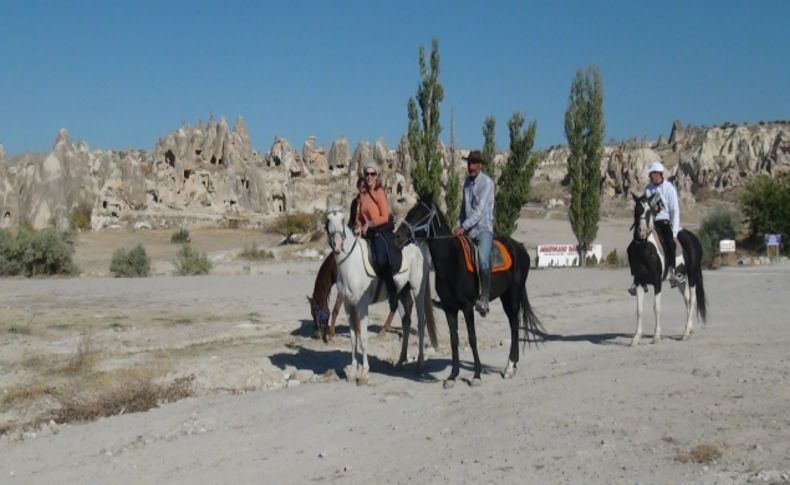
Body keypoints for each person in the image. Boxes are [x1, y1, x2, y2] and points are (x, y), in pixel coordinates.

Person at [629, 161, 685, 295]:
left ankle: (673, 273)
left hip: (665, 222)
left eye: (652, 174)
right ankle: (637, 279)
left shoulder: (669, 188)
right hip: (651, 223)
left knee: (670, 243)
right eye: (649, 174)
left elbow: (675, 211)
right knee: (632, 247)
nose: (650, 176)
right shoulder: (648, 188)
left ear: (659, 174)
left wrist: (675, 232)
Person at [454, 149, 495, 316]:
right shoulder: (466, 183)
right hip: (467, 230)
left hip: (483, 229)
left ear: (479, 165)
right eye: (469, 163)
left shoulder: (487, 183)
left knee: (484, 261)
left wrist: (464, 226)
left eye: (473, 163)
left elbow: (479, 211)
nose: (470, 166)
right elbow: (464, 208)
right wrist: (459, 225)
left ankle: (484, 297)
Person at [355, 160, 398, 313]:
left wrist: (370, 224)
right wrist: (359, 225)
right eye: (367, 174)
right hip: (366, 234)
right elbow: (360, 217)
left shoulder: (380, 192)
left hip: (379, 232)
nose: (369, 177)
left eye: (372, 174)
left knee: (381, 259)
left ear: (377, 175)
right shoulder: (363, 194)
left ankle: (392, 292)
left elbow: (385, 217)